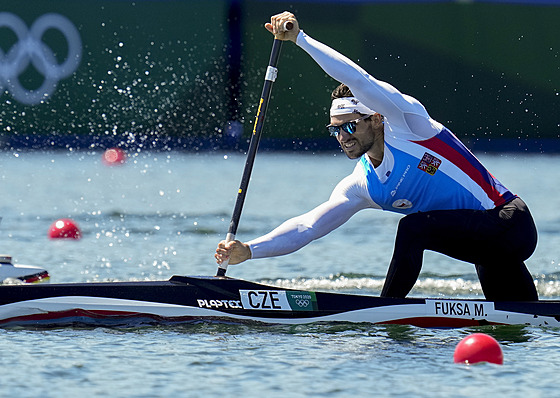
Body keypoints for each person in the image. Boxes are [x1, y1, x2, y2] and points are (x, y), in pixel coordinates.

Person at [215, 12, 539, 301]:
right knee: (521, 320)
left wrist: (300, 39)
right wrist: (250, 250)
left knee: (413, 228)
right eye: (335, 130)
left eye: (350, 126)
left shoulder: (410, 124)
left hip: (510, 222)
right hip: (486, 247)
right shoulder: (361, 185)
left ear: (376, 119)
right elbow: (308, 226)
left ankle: (386, 310)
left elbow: (359, 80)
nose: (343, 137)